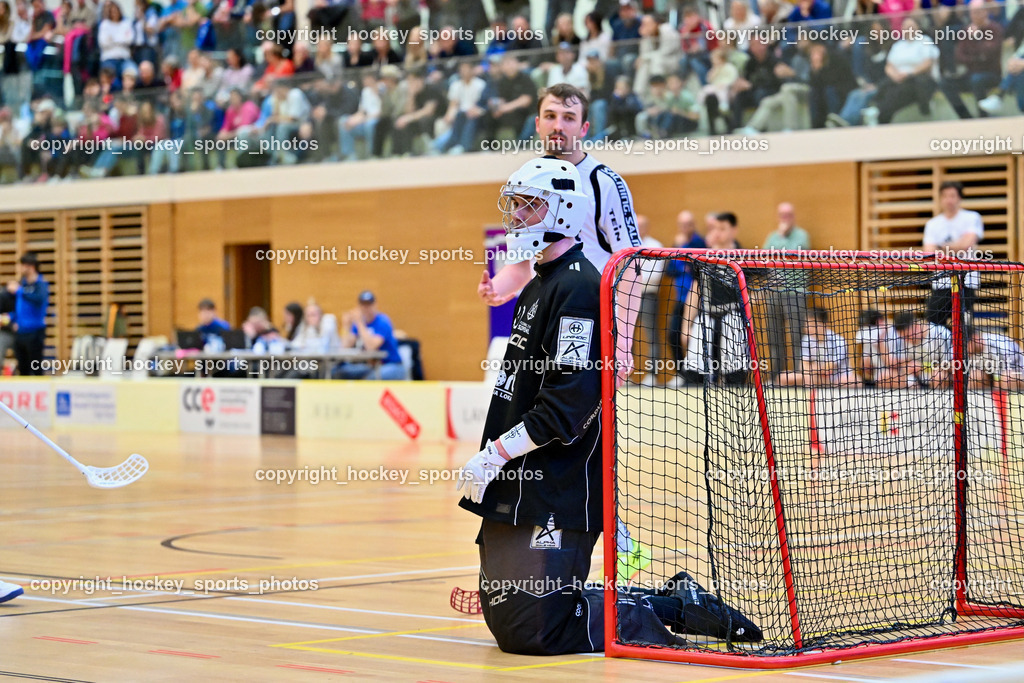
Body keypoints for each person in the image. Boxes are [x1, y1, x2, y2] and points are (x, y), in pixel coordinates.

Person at [458, 157, 762, 655]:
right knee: (506, 614)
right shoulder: (539, 283)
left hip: (556, 484)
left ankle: (674, 613)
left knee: (536, 631)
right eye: (512, 205)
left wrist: (495, 455)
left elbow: (568, 405)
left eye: (526, 206)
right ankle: (670, 600)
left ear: (562, 210)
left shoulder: (578, 288)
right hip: (520, 481)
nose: (514, 217)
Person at [477, 84, 642, 387]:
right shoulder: (525, 182)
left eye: (568, 117)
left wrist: (623, 346)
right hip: (542, 321)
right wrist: (495, 288)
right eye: (550, 115)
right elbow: (519, 268)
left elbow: (631, 268)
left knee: (578, 424)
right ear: (537, 123)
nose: (558, 125)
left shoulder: (605, 183)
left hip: (590, 321)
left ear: (584, 127)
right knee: (538, 421)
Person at [678, 213, 749, 386]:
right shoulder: (703, 257)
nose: (718, 233)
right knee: (693, 373)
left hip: (733, 321)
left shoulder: (745, 257)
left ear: (734, 230)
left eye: (722, 228)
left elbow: (761, 285)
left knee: (735, 376)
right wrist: (687, 324)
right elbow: (695, 290)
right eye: (714, 228)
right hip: (706, 319)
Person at [923, 181, 983, 326]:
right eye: (945, 196)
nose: (949, 200)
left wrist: (940, 247)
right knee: (934, 325)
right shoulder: (932, 224)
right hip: (941, 282)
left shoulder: (972, 217)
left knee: (964, 327)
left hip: (966, 281)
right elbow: (929, 253)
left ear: (959, 198)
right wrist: (954, 247)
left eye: (952, 196)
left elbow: (965, 244)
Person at [761, 202, 811, 379]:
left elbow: (795, 256)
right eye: (782, 215)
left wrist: (782, 238)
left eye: (789, 215)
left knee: (797, 336)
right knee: (775, 336)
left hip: (795, 293)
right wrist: (779, 236)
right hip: (775, 293)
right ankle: (776, 377)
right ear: (778, 217)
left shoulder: (802, 236)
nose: (785, 219)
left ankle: (799, 376)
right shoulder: (771, 237)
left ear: (794, 217)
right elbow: (764, 260)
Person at [333, 291, 405, 380]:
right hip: (372, 367)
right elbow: (344, 347)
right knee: (339, 373)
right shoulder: (358, 324)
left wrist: (359, 323)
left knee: (369, 379)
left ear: (375, 305)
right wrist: (346, 326)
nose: (366, 308)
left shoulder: (383, 321)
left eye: (369, 305)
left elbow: (371, 347)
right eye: (363, 305)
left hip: (392, 365)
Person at [776, 307, 858, 386]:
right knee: (783, 377)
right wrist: (812, 371)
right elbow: (803, 366)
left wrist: (812, 368)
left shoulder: (838, 341)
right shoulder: (806, 340)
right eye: (807, 324)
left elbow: (829, 368)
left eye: (812, 325)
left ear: (825, 324)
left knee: (855, 380)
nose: (807, 328)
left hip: (837, 378)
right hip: (814, 377)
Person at [635, 215, 666, 387]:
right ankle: (624, 375)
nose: (639, 229)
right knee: (626, 336)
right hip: (628, 295)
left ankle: (652, 375)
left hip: (648, 295)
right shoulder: (627, 246)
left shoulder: (656, 246)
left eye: (642, 226)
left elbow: (656, 276)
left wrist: (635, 280)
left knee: (651, 335)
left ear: (647, 227)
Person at [9, 252, 48, 376]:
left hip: (35, 332)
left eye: (23, 265)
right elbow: (18, 306)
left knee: (36, 368)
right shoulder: (23, 283)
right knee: (23, 369)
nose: (20, 269)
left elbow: (38, 299)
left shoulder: (40, 284)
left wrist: (19, 291)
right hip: (20, 332)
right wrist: (12, 320)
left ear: (30, 267)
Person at [892, 311, 952, 389]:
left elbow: (949, 364)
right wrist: (907, 367)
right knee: (885, 377)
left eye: (907, 336)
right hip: (916, 376)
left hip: (937, 374)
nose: (905, 340)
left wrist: (923, 367)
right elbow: (903, 362)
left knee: (939, 377)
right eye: (903, 337)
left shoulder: (940, 333)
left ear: (916, 326)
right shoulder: (903, 341)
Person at [965, 324, 1024, 390]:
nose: (965, 348)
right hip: (994, 376)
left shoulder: (994, 346)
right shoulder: (973, 352)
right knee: (973, 377)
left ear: (975, 338)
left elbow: (998, 379)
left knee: (1006, 378)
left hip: (1018, 374)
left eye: (966, 344)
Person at [855, 308, 900, 387]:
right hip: (878, 381)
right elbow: (865, 368)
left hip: (899, 376)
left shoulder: (896, 335)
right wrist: (866, 364)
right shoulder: (869, 336)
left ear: (880, 322)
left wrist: (881, 344)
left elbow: (893, 364)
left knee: (885, 377)